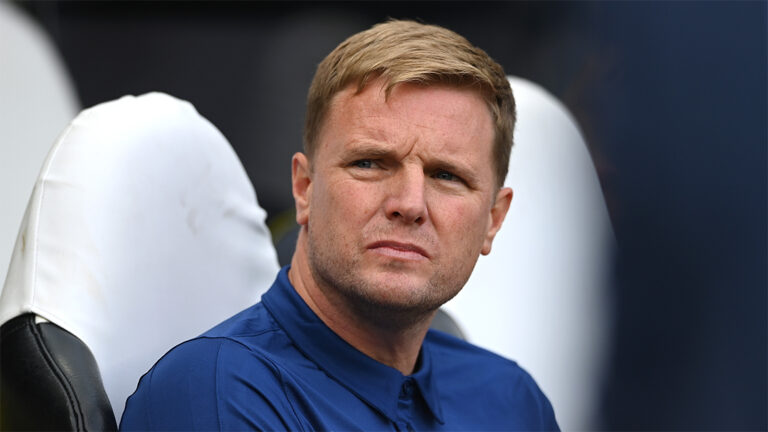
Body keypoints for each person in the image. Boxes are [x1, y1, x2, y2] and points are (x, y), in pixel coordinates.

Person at [121, 20, 559, 431]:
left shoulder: (512, 400)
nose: (409, 204)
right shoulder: (215, 393)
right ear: (305, 188)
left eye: (447, 176)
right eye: (369, 163)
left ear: (493, 220)